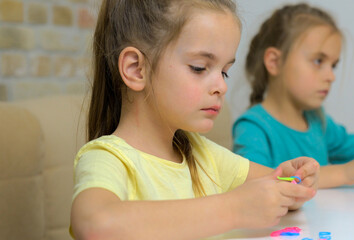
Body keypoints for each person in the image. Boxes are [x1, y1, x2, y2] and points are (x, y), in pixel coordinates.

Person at [70, 1, 320, 239]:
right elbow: (96, 227)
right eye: (200, 67)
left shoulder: (203, 154)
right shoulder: (109, 158)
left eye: (224, 72)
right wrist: (233, 209)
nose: (221, 86)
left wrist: (293, 183)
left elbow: (270, 192)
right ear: (137, 69)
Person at [232, 3, 354, 189]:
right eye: (318, 61)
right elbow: (256, 182)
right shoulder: (253, 127)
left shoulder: (319, 121)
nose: (331, 76)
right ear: (274, 62)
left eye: (333, 65)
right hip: (281, 226)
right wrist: (344, 173)